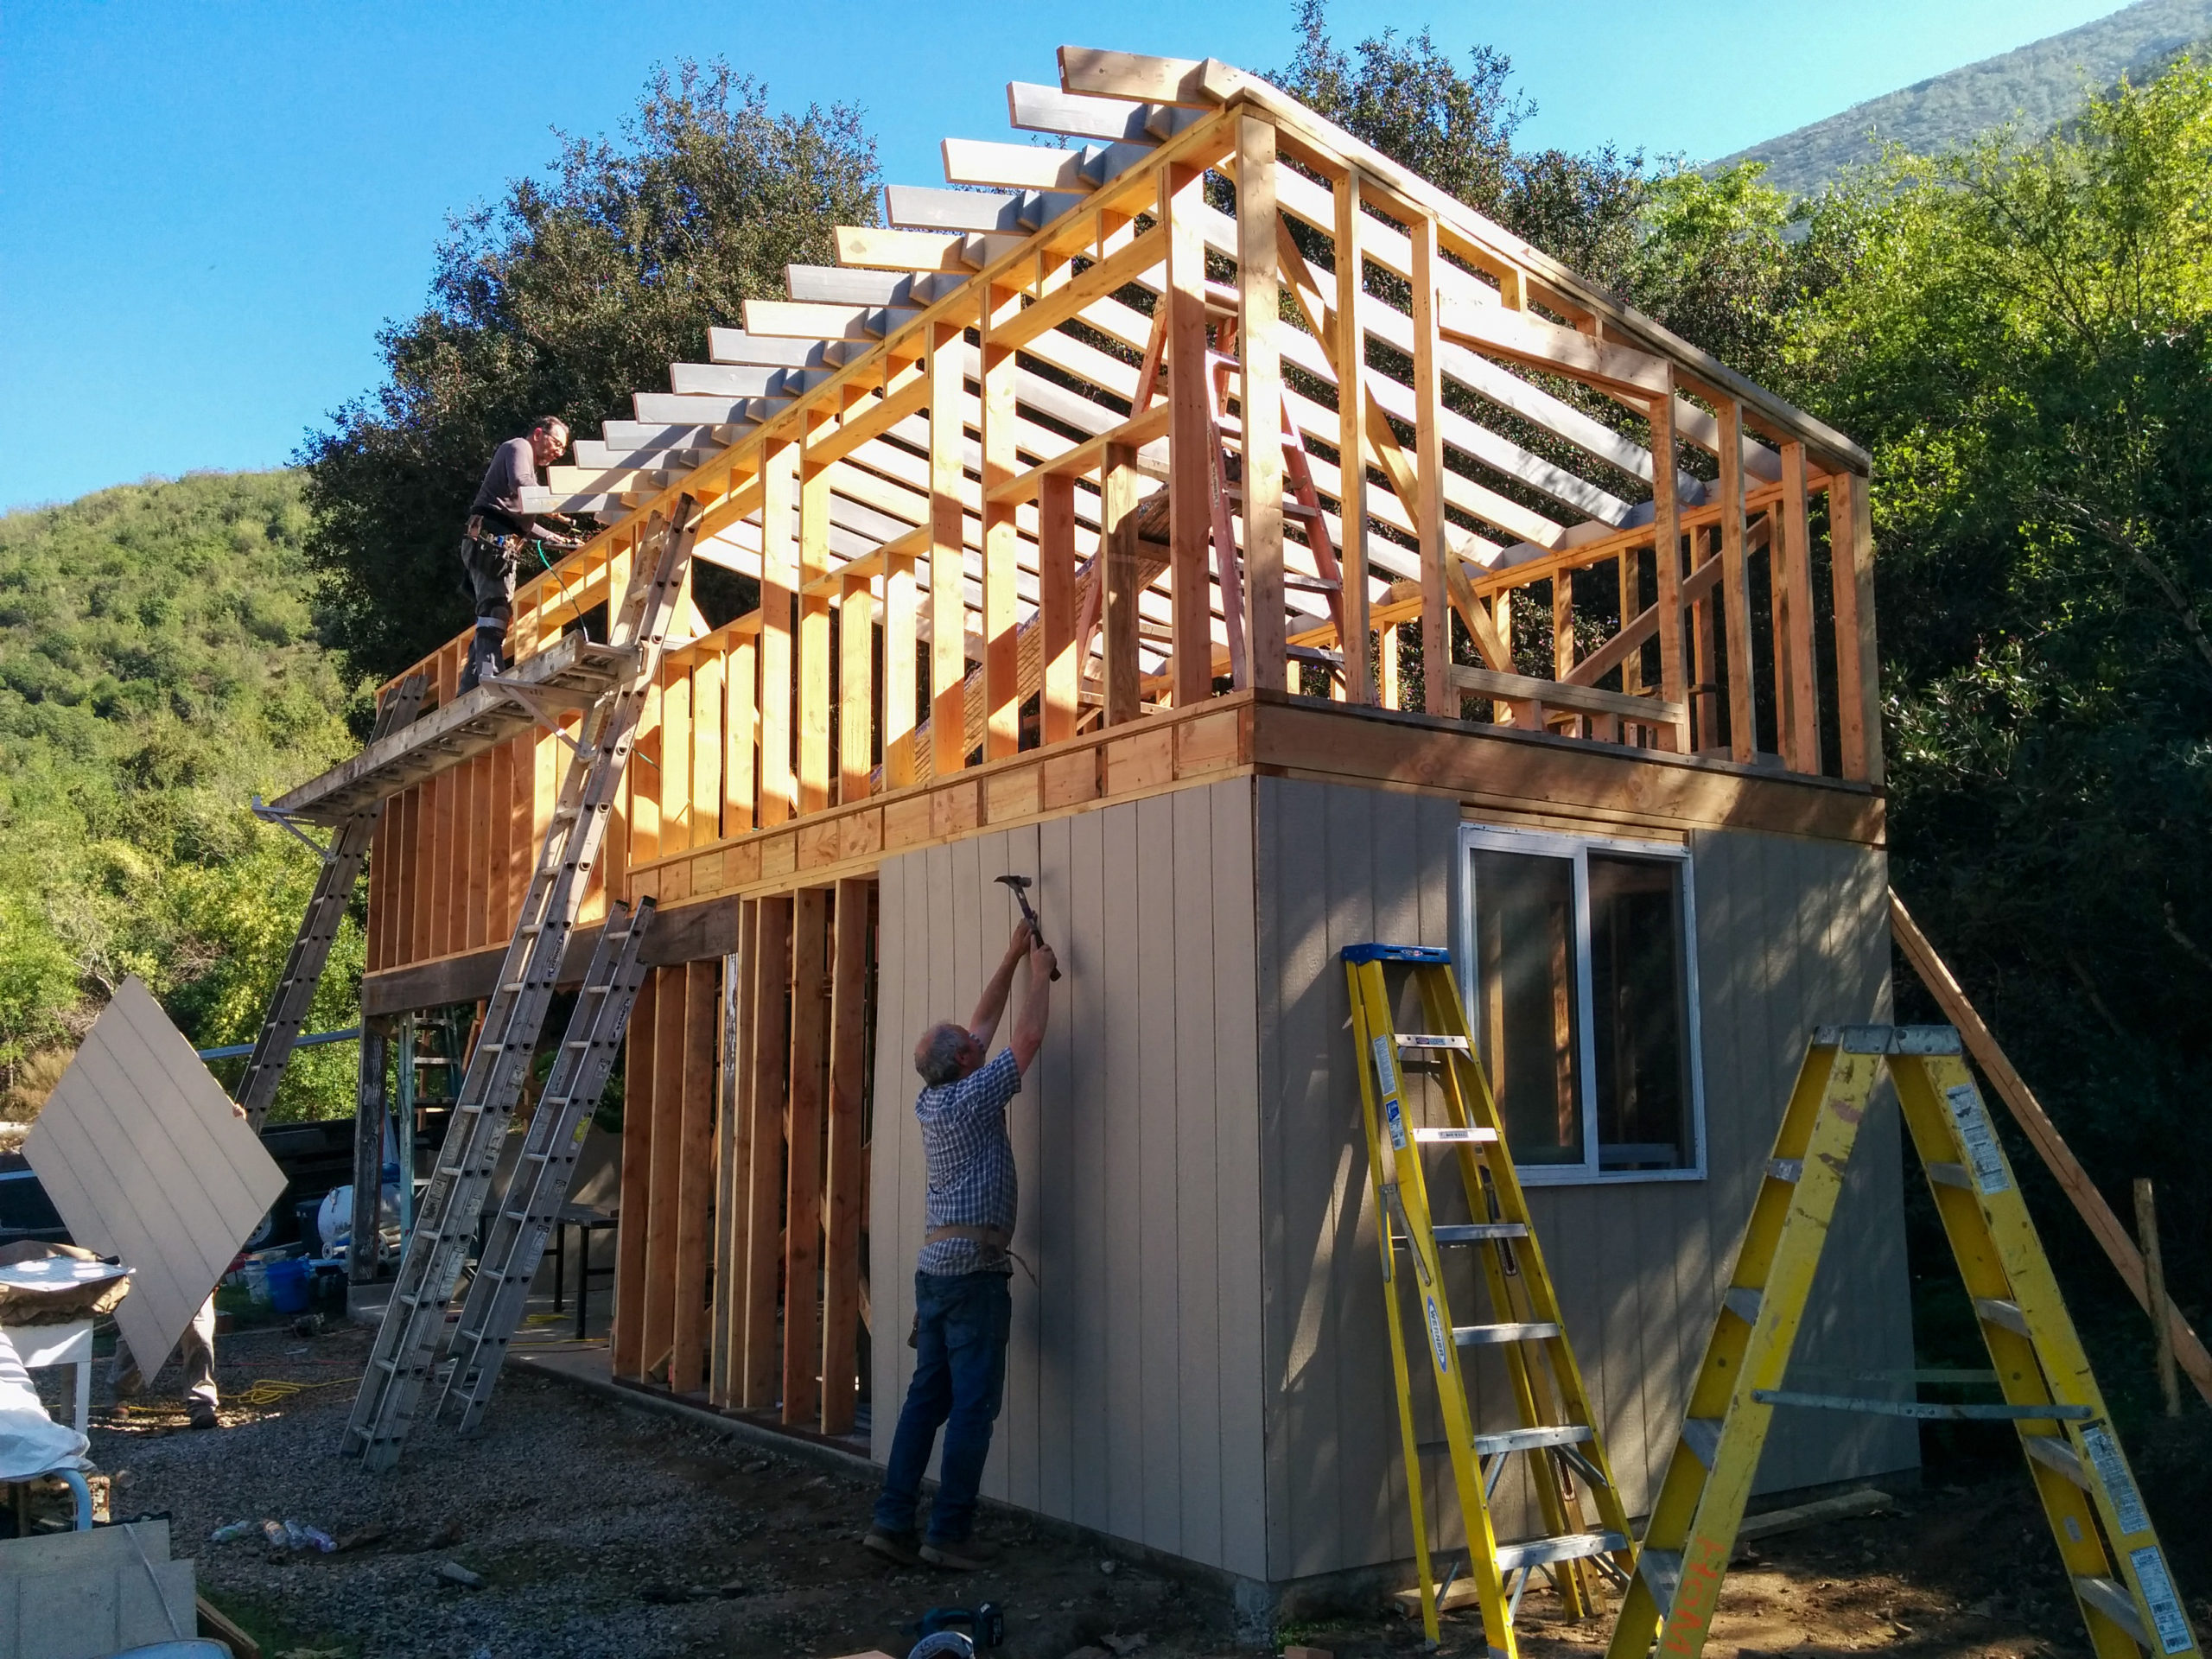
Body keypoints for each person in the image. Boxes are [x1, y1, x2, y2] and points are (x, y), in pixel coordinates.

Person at [865, 921, 1058, 1571]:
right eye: (973, 1047)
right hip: (973, 1276)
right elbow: (1025, 1036)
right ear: (966, 1063)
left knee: (928, 1398)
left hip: (937, 1274)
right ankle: (947, 1534)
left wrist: (1008, 956)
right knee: (973, 1406)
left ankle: (891, 1522)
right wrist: (1040, 974)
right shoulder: (976, 1098)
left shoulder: (936, 1097)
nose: (980, 1043)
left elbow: (981, 1024)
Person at [458, 418, 581, 693]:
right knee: (494, 609)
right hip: (490, 542)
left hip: (497, 543)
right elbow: (523, 485)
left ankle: (469, 686)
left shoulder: (525, 462)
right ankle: (490, 676)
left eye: (563, 449)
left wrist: (554, 537)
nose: (559, 453)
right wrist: (556, 502)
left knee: (492, 611)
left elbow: (521, 522)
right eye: (557, 444)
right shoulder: (518, 448)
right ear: (538, 434)